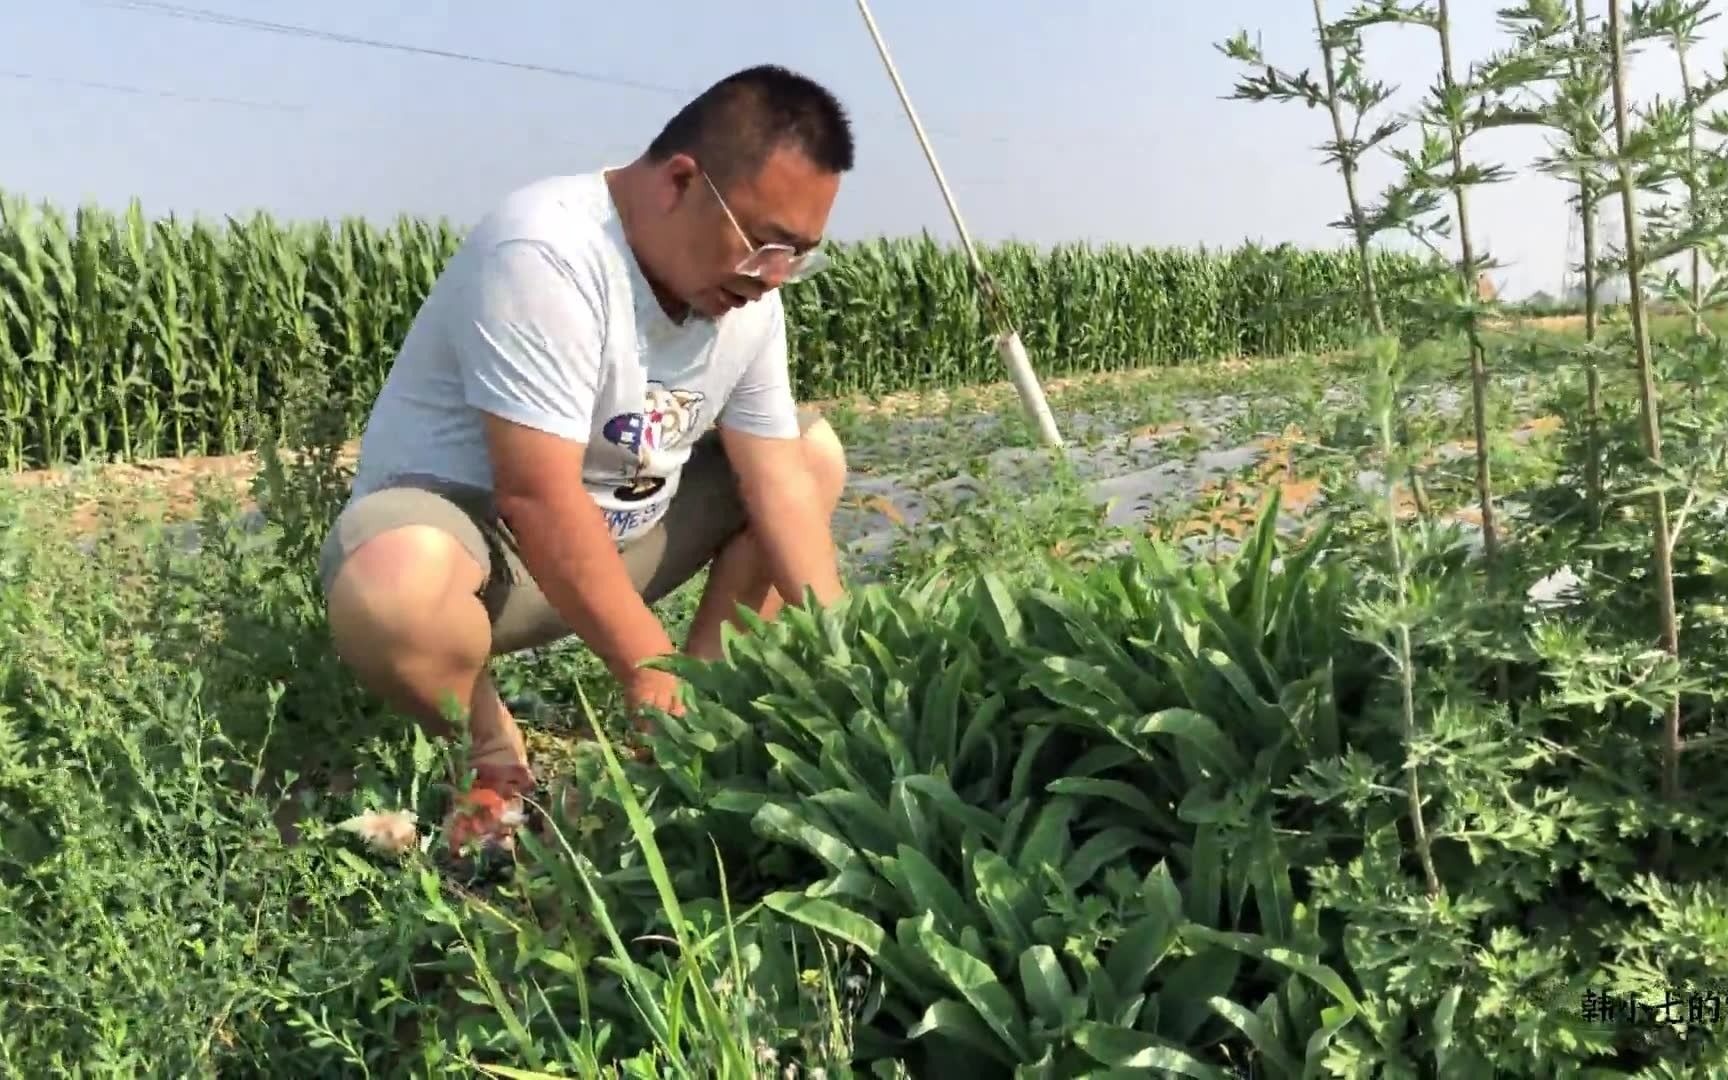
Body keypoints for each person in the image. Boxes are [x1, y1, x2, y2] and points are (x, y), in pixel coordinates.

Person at [316, 64, 855, 857]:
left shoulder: (747, 299)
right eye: (762, 244)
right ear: (680, 182)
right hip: (490, 556)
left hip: (626, 530)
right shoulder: (548, 251)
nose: (771, 277)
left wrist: (855, 668)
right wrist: (647, 669)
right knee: (390, 590)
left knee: (811, 458)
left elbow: (774, 477)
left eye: (796, 255)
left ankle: (695, 717)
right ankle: (494, 763)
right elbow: (534, 497)